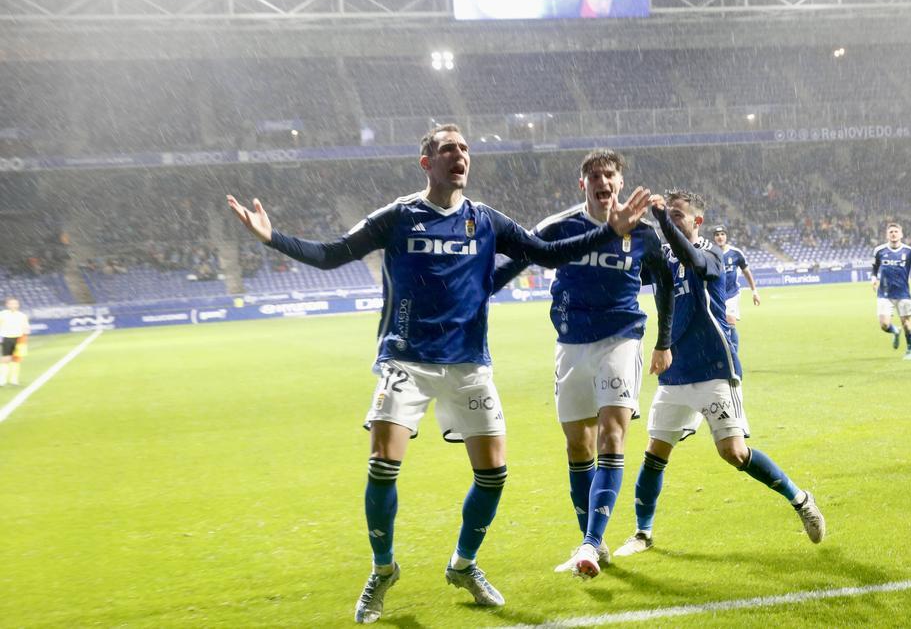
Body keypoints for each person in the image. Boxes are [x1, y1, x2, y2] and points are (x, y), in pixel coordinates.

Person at [226, 124, 650, 622]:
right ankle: (382, 571)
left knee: (494, 474)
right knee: (384, 460)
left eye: (466, 148)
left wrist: (610, 230)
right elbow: (332, 254)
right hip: (405, 358)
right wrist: (271, 237)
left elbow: (548, 253)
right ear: (427, 162)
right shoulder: (399, 216)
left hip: (468, 363)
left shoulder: (486, 220)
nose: (460, 155)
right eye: (448, 148)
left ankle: (464, 564)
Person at [491, 149, 674, 579]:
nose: (603, 181)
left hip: (622, 339)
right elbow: (520, 258)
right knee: (578, 446)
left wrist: (663, 342)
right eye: (594, 175)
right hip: (572, 344)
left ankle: (590, 543)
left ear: (620, 183)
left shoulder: (644, 235)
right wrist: (476, 291)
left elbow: (664, 281)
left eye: (609, 175)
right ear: (583, 184)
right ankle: (593, 540)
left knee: (613, 432)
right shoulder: (559, 227)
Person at [613, 190, 825, 559]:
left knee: (734, 453)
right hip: (674, 371)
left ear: (697, 222)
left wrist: (660, 218)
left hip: (713, 369)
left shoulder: (713, 254)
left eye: (679, 215)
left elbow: (693, 259)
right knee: (654, 453)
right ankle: (643, 532)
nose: (672, 220)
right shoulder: (663, 258)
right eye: (670, 214)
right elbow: (631, 267)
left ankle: (801, 499)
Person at [871, 224, 911, 360]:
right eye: (891, 232)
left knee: (906, 324)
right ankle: (895, 331)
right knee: (884, 325)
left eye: (896, 231)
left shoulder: (909, 251)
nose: (893, 234)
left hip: (902, 293)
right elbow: (875, 267)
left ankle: (909, 350)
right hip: (884, 293)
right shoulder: (880, 251)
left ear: (901, 234)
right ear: (887, 235)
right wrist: (873, 278)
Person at [711, 226, 760, 352]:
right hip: (715, 296)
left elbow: (746, 272)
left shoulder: (736, 253)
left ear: (726, 236)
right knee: (718, 327)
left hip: (732, 294)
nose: (720, 237)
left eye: (722, 234)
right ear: (714, 238)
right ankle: (722, 353)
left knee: (730, 323)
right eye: (717, 235)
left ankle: (734, 355)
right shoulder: (710, 253)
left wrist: (754, 292)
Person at [0, 297, 31, 386]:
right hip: (7, 338)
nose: (14, 305)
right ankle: (2, 380)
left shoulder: (22, 315)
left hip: (19, 339)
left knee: (16, 359)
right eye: (11, 303)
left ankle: (14, 380)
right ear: (7, 305)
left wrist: (26, 333)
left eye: (15, 303)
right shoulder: (2, 314)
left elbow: (26, 327)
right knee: (5, 358)